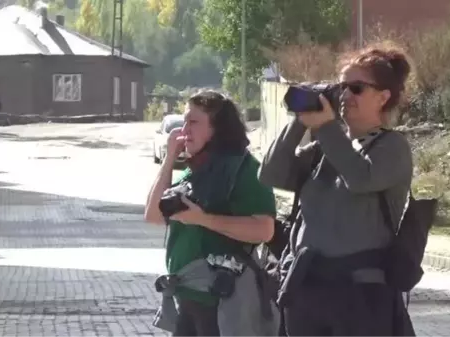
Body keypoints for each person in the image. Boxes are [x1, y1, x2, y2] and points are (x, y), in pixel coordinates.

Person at [259, 41, 415, 337]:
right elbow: (271, 174)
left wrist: (326, 127)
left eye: (356, 88)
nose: (345, 95)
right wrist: (300, 120)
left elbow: (360, 178)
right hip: (307, 289)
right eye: (340, 87)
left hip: (360, 294)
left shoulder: (392, 147)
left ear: (383, 97)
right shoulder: (324, 149)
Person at [144, 90, 278, 337]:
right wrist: (170, 158)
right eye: (184, 121)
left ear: (218, 128)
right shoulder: (194, 170)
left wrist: (201, 219)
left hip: (223, 302)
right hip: (186, 297)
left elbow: (264, 229)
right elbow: (153, 215)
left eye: (193, 122)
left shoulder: (244, 169)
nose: (184, 130)